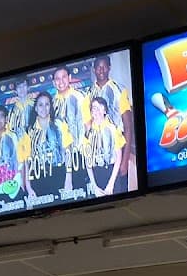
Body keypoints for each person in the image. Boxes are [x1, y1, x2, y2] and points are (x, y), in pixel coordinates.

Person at [87, 55, 133, 193]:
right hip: (97, 161)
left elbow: (128, 126)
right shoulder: (88, 93)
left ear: (109, 68)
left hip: (116, 156)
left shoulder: (119, 90)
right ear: (94, 70)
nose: (101, 70)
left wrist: (124, 160)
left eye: (104, 66)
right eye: (98, 67)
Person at [19, 91, 72, 205]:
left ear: (50, 106)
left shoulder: (59, 124)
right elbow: (27, 162)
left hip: (59, 174)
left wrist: (68, 179)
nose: (44, 108)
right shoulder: (29, 131)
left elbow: (68, 152)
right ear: (36, 108)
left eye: (47, 104)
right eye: (40, 105)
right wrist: (28, 187)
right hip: (38, 178)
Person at [52, 66, 89, 195]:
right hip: (61, 158)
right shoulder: (51, 103)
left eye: (63, 77)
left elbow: (88, 124)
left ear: (70, 78)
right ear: (53, 82)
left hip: (78, 154)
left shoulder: (79, 97)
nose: (61, 81)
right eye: (57, 79)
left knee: (80, 192)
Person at [84, 95, 124, 198]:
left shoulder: (113, 129)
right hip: (96, 173)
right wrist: (94, 186)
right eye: (94, 108)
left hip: (111, 173)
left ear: (105, 111)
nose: (96, 111)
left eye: (99, 108)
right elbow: (87, 160)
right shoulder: (88, 132)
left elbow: (118, 157)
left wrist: (111, 184)